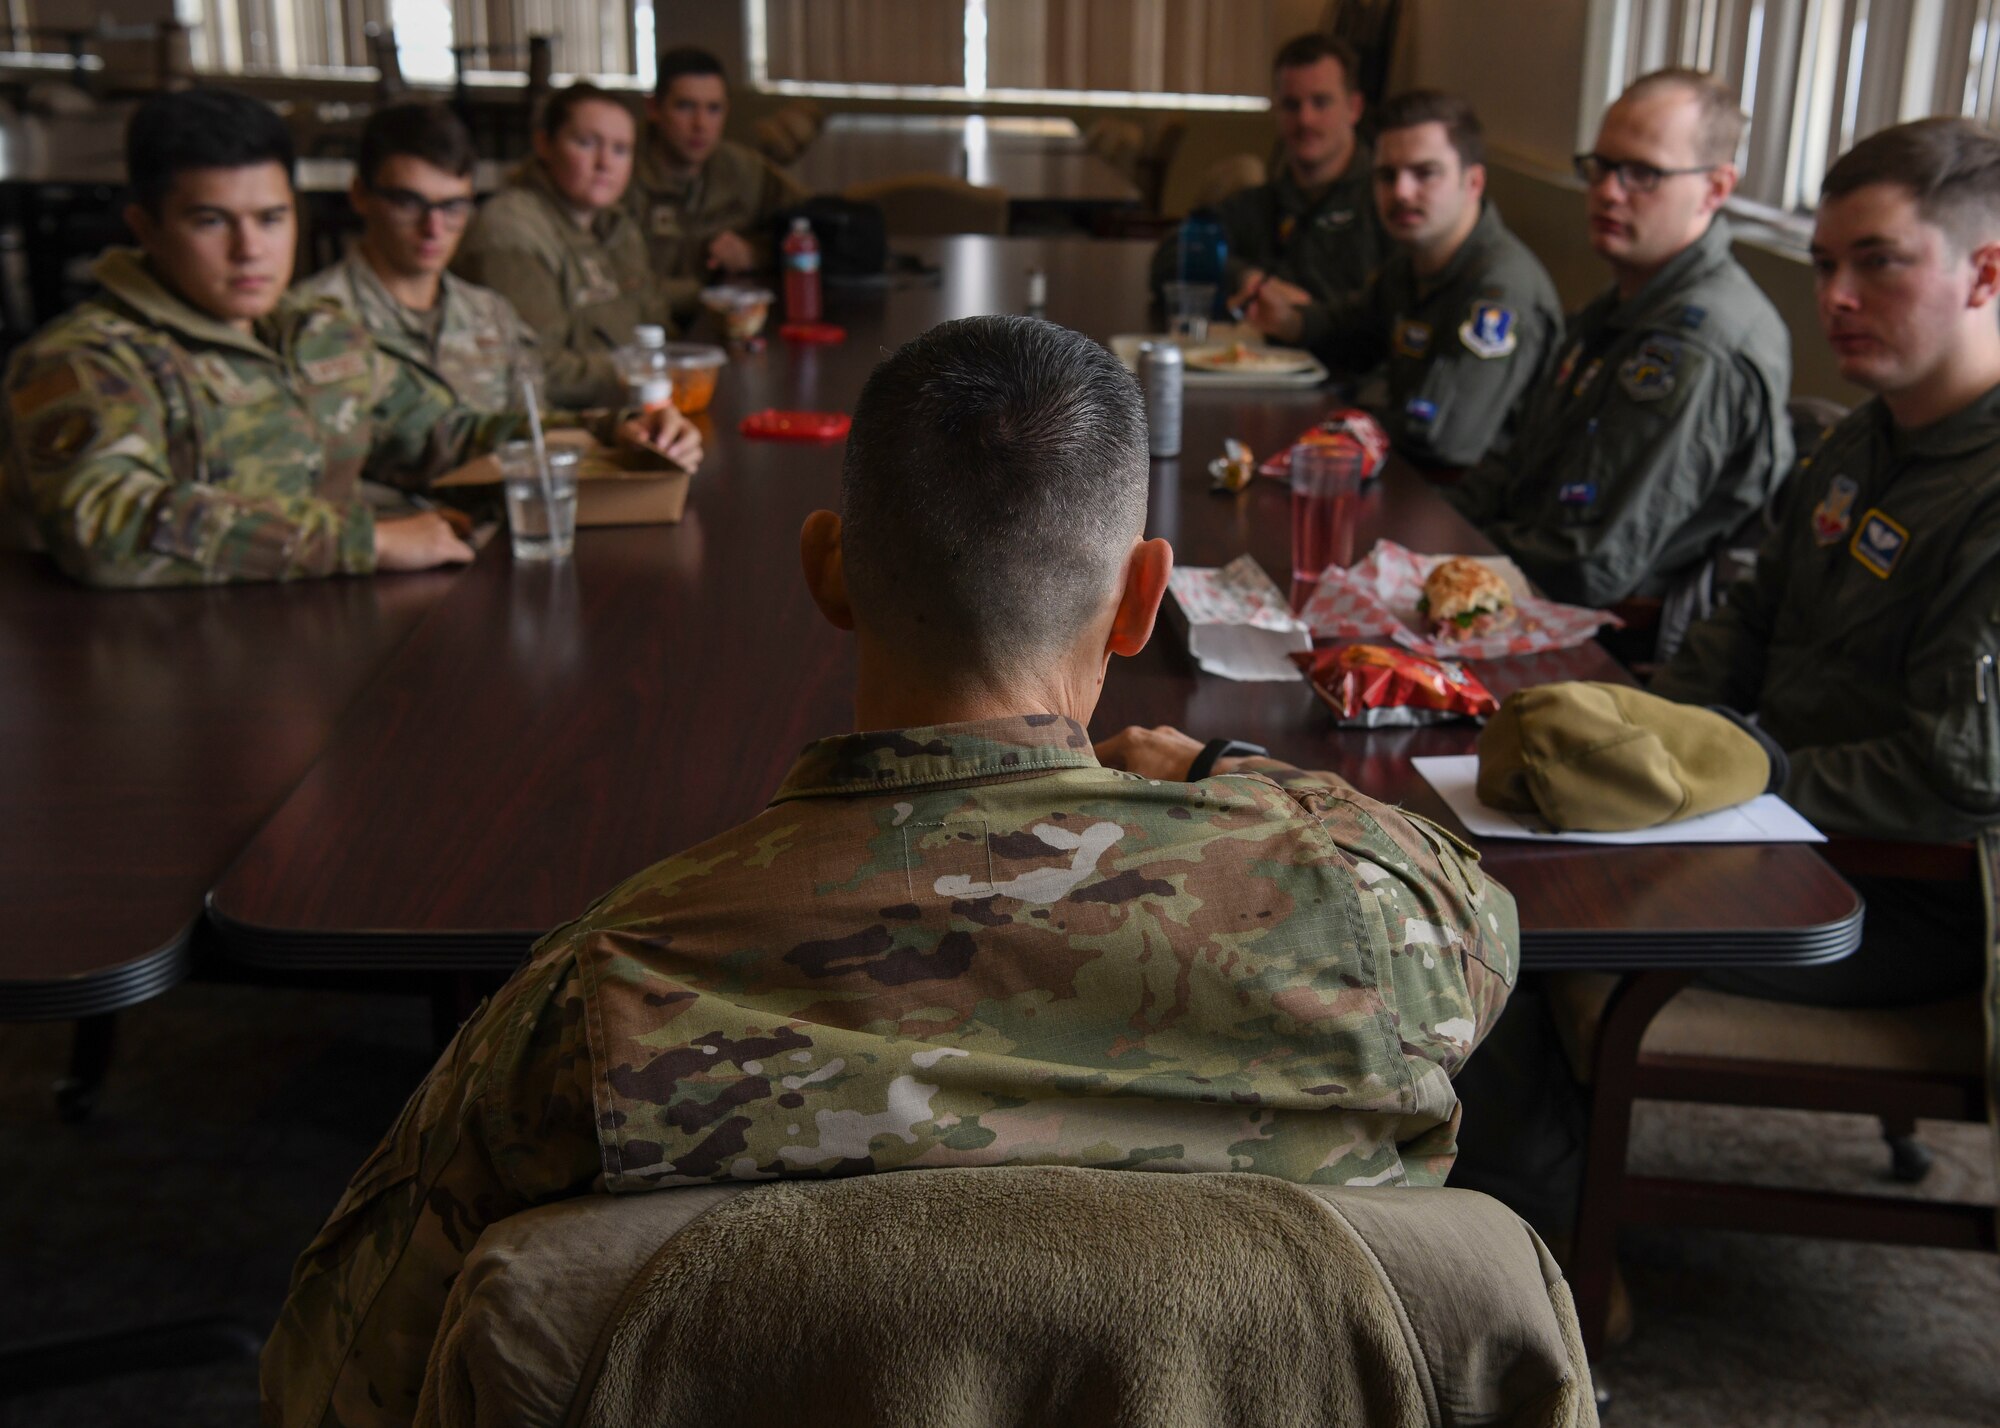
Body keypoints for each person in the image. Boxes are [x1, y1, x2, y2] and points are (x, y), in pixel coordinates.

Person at [262, 315, 1520, 1427]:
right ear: (1141, 602)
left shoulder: (601, 992)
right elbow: (1463, 897)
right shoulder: (1370, 933)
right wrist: (1222, 767)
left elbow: (332, 1379)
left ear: (827, 569)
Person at [1452, 117, 2000, 1294]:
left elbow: (1947, 777)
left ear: (1984, 273)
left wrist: (1717, 774)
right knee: (1469, 836)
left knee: (1483, 927)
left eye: (1877, 262)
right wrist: (1655, 742)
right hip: (1763, 820)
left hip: (1895, 892)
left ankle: (1537, 1275)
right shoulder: (1865, 436)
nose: (1834, 296)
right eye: (1825, 262)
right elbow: (1737, 631)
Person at [1, 89, 692, 587]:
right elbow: (104, 524)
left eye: (271, 218)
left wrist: (614, 431)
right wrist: (367, 541)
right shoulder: (88, 358)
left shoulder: (313, 337)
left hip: (317, 659)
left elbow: (445, 434)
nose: (251, 250)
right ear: (146, 228)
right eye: (212, 221)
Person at [1445, 69, 1793, 617]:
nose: (1608, 191)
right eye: (1601, 167)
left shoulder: (1695, 343)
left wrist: (1451, 560)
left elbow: (1590, 566)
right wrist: (1436, 534)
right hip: (1514, 579)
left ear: (1716, 188)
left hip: (1595, 635)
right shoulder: (1616, 308)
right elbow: (1517, 467)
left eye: (1643, 174)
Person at [1245, 90, 1563, 470]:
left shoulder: (1500, 293)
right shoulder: (1410, 263)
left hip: (1465, 508)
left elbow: (1447, 439)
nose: (1401, 192)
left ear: (1473, 182)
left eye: (1424, 173)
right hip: (1405, 479)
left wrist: (1349, 425)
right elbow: (1353, 331)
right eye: (1386, 175)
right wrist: (1292, 321)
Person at [295, 102, 540, 414]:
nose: (433, 228)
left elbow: (533, 441)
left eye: (453, 207)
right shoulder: (309, 323)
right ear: (360, 195)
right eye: (409, 203)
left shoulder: (493, 317)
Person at [452, 82, 676, 409]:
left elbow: (656, 322)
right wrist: (649, 372)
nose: (605, 163)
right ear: (544, 144)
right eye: (586, 143)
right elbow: (541, 371)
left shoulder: (615, 225)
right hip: (566, 430)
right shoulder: (513, 231)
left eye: (620, 149)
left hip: (632, 408)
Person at [1150, 33, 1387, 338]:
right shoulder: (1262, 203)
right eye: (1291, 105)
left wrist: (1302, 316)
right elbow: (1172, 254)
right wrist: (1246, 278)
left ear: (1354, 108)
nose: (1305, 120)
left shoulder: (1389, 204)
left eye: (1320, 102)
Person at [625, 45, 808, 309]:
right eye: (685, 107)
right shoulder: (617, 170)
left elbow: (812, 226)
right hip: (640, 328)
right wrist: (703, 293)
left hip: (721, 325)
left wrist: (756, 253)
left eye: (714, 109)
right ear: (654, 108)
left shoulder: (743, 169)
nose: (701, 125)